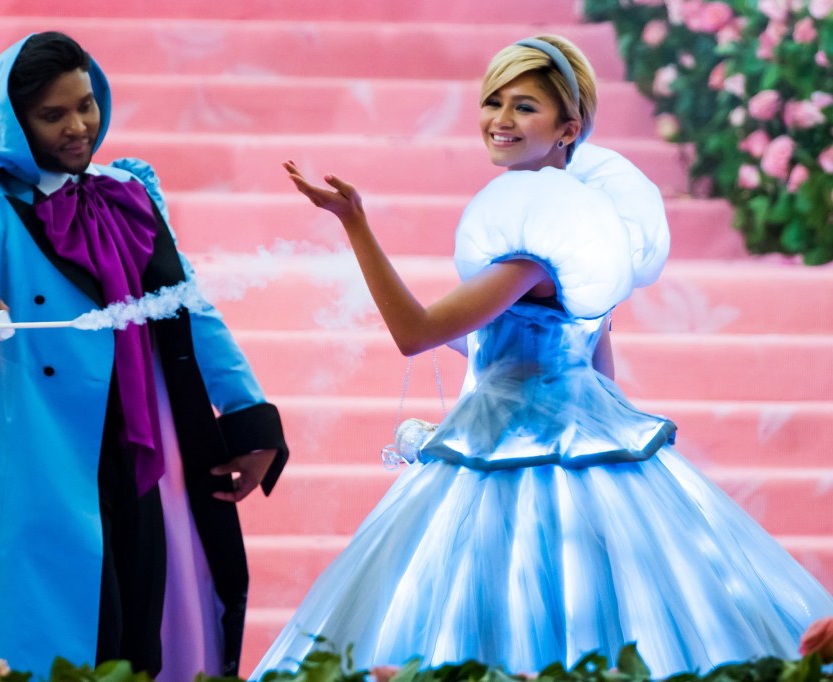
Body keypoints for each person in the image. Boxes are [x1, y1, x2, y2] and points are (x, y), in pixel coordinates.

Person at [252, 35, 833, 678]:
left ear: (568, 129)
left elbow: (415, 332)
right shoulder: (591, 243)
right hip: (586, 445)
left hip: (508, 454)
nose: (499, 120)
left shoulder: (533, 251)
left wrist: (354, 221)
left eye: (524, 106)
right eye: (492, 101)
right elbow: (593, 369)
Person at [0, 31, 288, 681]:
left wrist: (248, 416)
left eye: (87, 104)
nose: (78, 126)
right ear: (14, 123)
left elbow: (190, 310)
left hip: (142, 435)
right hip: (40, 447)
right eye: (53, 115)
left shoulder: (131, 191)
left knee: (141, 612)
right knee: (44, 621)